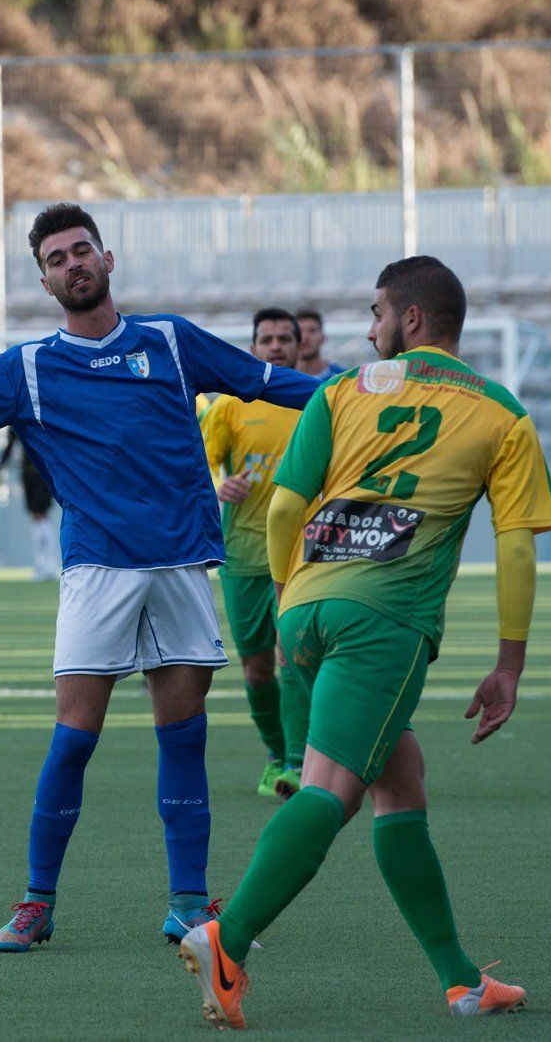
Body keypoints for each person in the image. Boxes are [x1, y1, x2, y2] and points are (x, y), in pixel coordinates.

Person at [0, 201, 319, 953]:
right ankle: (37, 903)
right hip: (98, 572)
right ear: (44, 281)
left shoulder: (170, 340)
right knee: (73, 740)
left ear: (108, 260)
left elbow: (269, 382)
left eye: (82, 250)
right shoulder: (29, 368)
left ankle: (189, 905)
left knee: (185, 738)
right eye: (57, 259)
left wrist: (363, 391)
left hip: (177, 566)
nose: (73, 264)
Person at [177, 255, 551, 1028]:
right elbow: (517, 548)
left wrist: (291, 605)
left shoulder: (341, 389)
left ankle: (462, 979)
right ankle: (229, 939)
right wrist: (509, 664)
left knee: (401, 782)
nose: (367, 326)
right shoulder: (501, 414)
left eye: (376, 311)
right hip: (384, 622)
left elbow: (286, 510)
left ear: (412, 319)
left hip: (312, 608)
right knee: (330, 792)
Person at [201, 308, 310, 800]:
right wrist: (224, 484)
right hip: (244, 555)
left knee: (295, 658)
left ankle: (297, 761)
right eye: (265, 339)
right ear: (253, 348)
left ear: (299, 344)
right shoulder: (228, 407)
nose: (275, 347)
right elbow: (200, 469)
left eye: (283, 338)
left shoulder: (319, 402)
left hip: (304, 557)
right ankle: (275, 751)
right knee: (257, 669)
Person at [0, 427, 59, 581]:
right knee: (36, 516)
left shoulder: (44, 415)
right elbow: (9, 446)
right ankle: (42, 564)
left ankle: (50, 564)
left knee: (41, 515)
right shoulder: (17, 418)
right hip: (27, 474)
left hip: (44, 474)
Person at [295, 308, 344, 381]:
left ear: (323, 338)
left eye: (312, 330)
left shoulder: (342, 378)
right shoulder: (283, 380)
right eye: (300, 331)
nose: (305, 336)